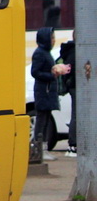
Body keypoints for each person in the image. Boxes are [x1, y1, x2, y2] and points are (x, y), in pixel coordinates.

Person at [31, 26, 70, 162]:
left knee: (46, 120)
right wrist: (52, 74)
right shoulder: (40, 53)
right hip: (43, 91)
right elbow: (35, 72)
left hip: (48, 91)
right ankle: (39, 150)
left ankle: (44, 149)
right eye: (51, 37)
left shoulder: (46, 52)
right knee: (41, 120)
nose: (53, 40)